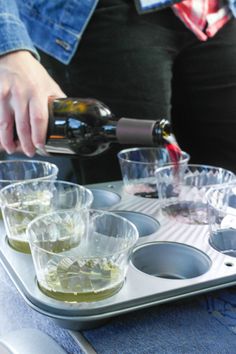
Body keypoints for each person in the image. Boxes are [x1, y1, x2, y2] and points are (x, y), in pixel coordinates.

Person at [0, 0, 236, 184]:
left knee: (222, 193)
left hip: (214, 13)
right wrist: (9, 50)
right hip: (93, 16)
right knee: (126, 203)